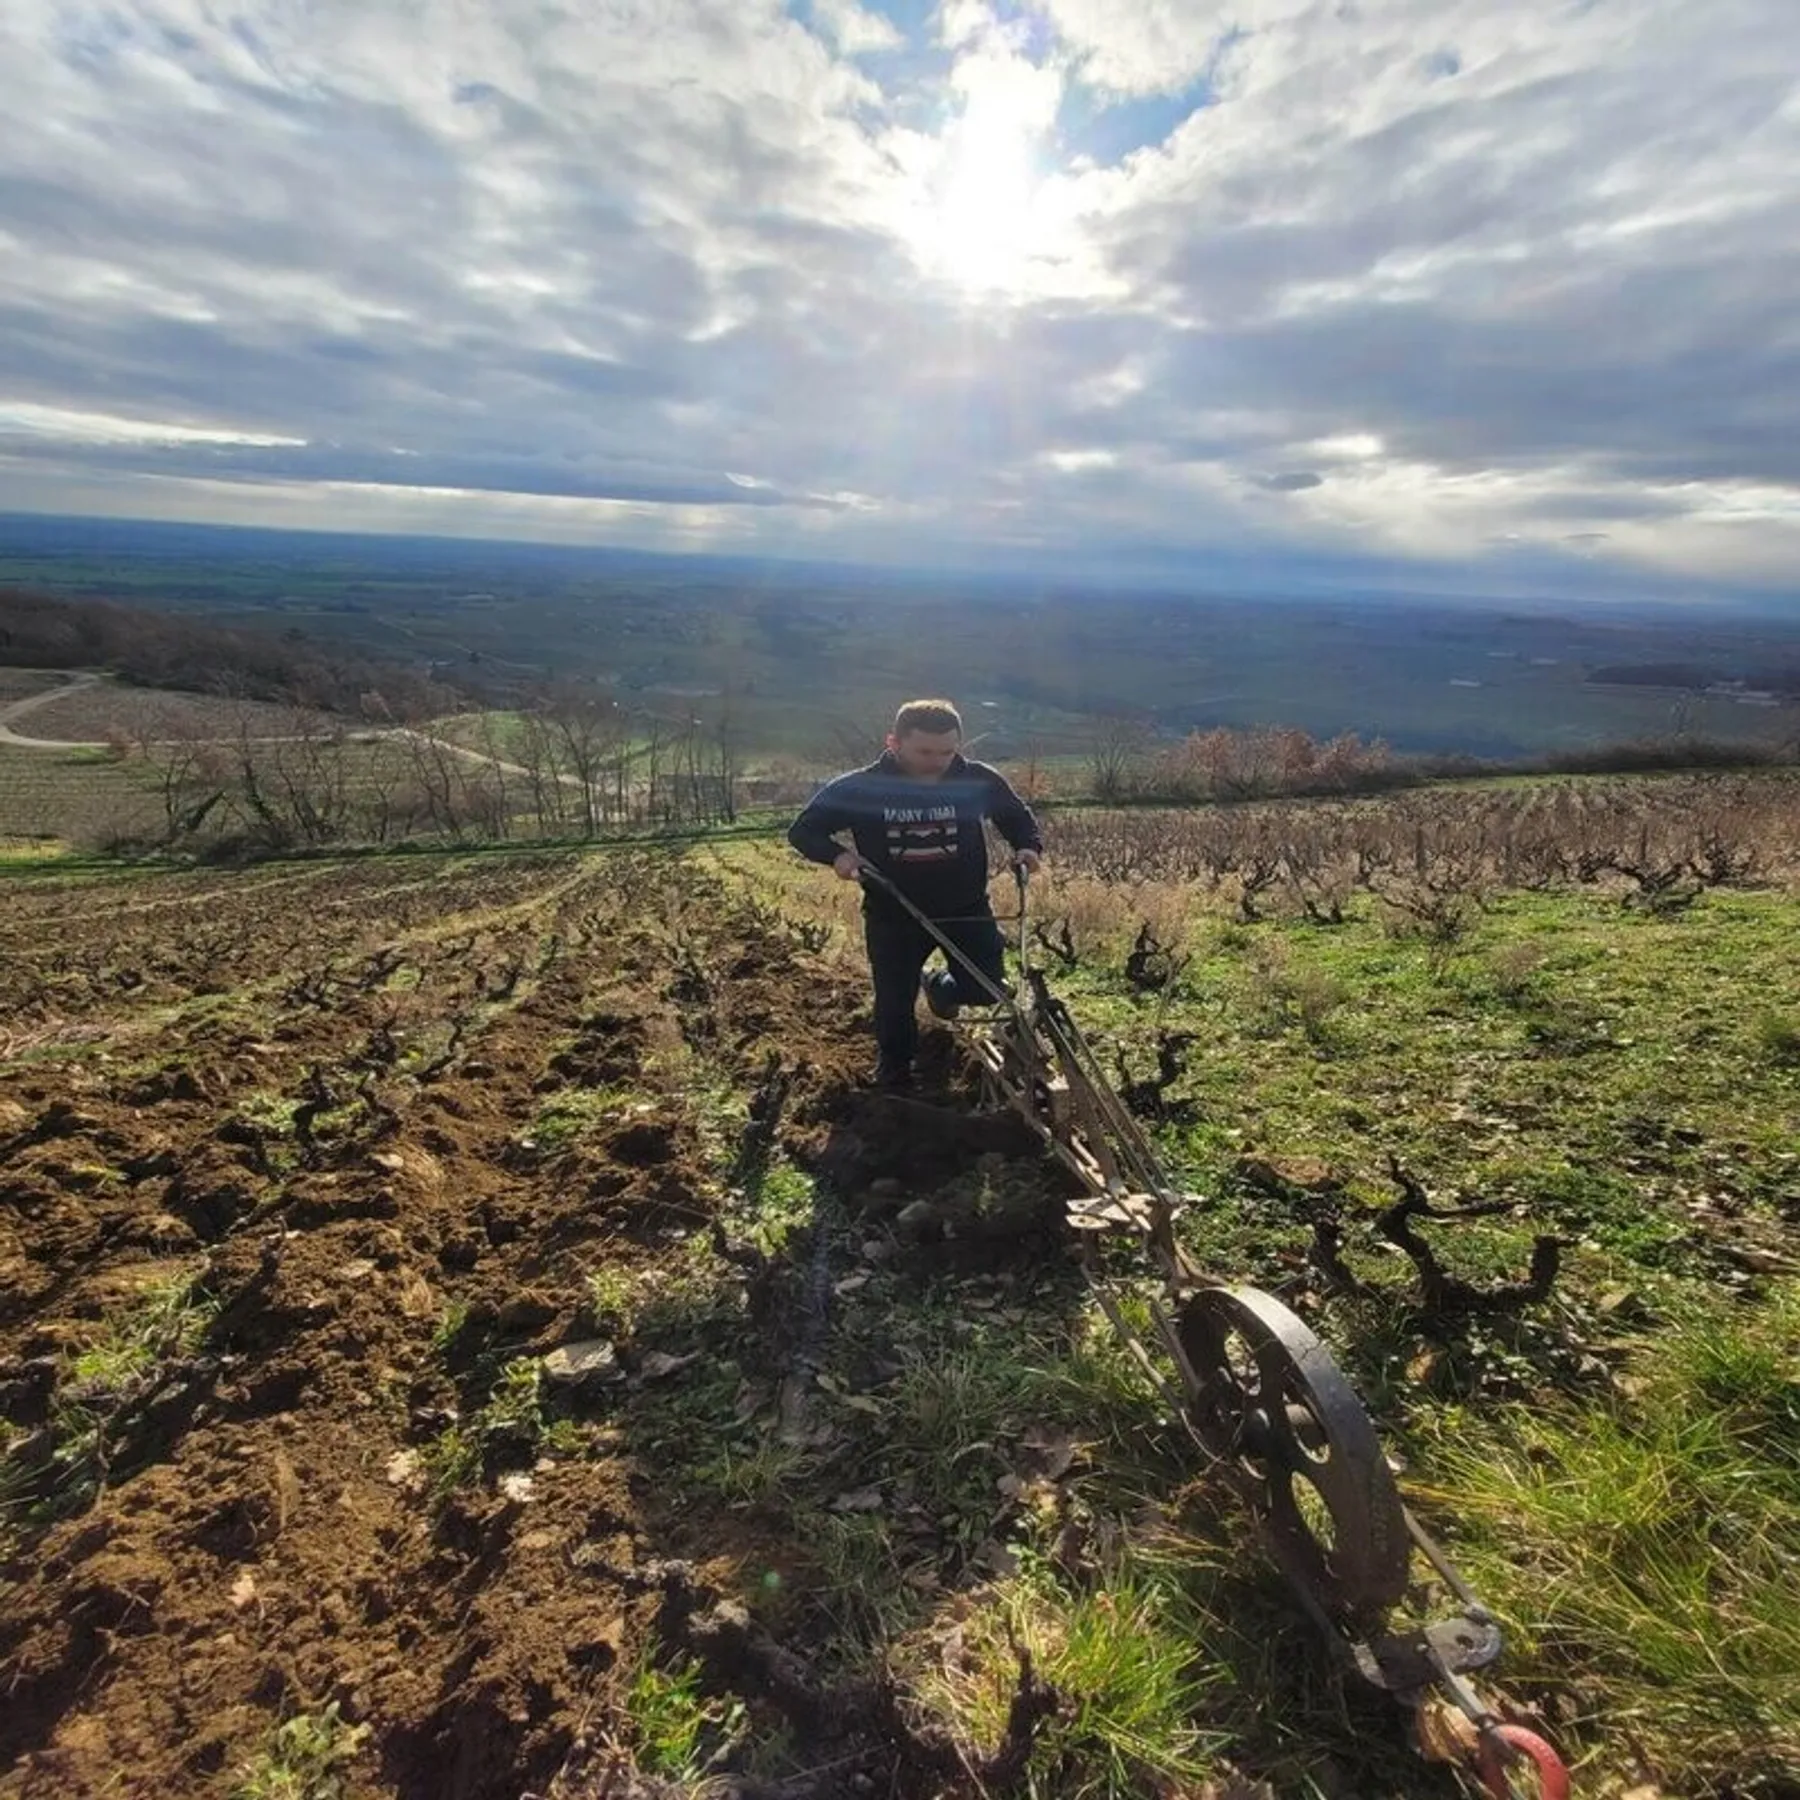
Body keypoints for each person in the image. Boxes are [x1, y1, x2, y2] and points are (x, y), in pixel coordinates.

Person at [787, 698, 1043, 1090]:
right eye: (925, 752)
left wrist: (1027, 847)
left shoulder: (976, 780)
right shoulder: (862, 788)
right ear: (894, 742)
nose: (937, 761)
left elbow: (1015, 816)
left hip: (966, 907)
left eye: (947, 752)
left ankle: (939, 987)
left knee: (987, 988)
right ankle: (895, 1068)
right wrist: (839, 856)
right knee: (894, 1000)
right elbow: (804, 831)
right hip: (894, 913)